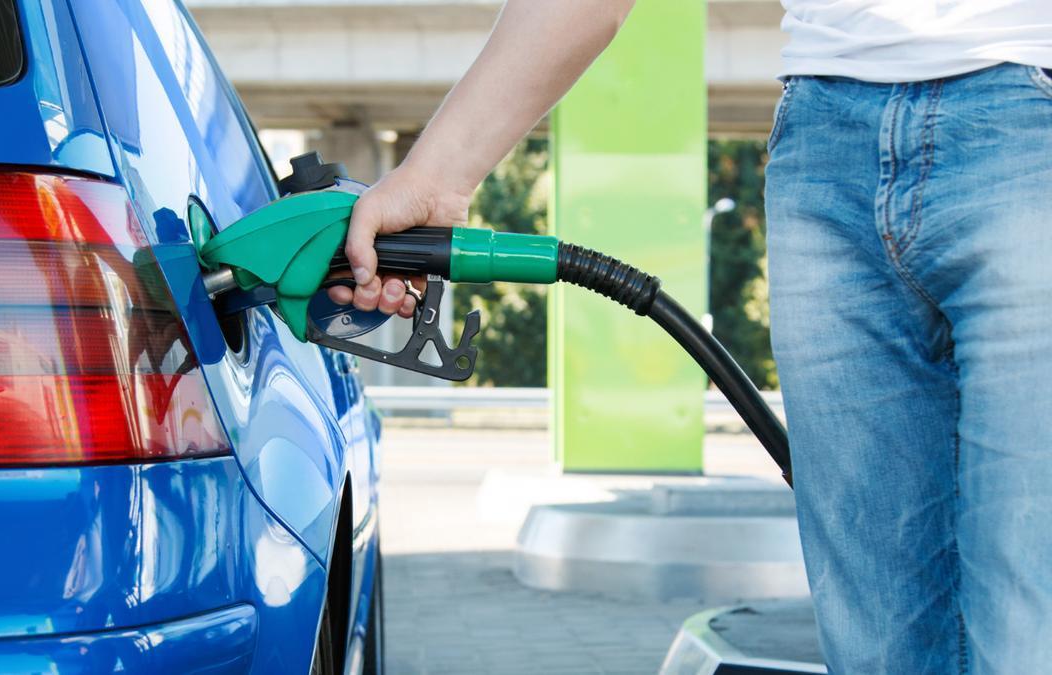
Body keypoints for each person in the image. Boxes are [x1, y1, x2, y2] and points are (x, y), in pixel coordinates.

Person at [331, 0, 1052, 671]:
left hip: (1029, 118)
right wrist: (435, 176)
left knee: (1027, 627)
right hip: (827, 145)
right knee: (879, 646)